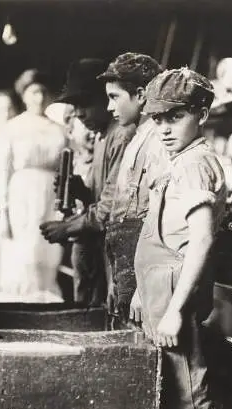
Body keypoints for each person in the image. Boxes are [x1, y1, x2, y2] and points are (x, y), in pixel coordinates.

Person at [130, 68, 229, 409]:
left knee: (192, 396)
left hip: (175, 296)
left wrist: (172, 310)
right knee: (175, 393)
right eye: (157, 118)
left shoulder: (194, 163)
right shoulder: (180, 158)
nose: (165, 127)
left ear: (202, 114)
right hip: (158, 290)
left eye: (177, 116)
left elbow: (202, 240)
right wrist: (140, 290)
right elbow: (160, 233)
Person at [40, 53, 166, 318]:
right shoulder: (102, 137)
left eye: (85, 103)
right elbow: (106, 196)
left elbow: (110, 209)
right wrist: (81, 191)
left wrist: (67, 227)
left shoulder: (121, 136)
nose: (79, 114)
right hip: (103, 249)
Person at [0, 69, 67, 302]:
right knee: (22, 251)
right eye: (34, 92)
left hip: (50, 195)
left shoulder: (59, 130)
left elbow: (65, 171)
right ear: (24, 95)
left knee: (46, 250)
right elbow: (2, 171)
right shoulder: (11, 129)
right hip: (21, 195)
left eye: (44, 92)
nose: (40, 98)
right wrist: (3, 210)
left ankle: (45, 302)